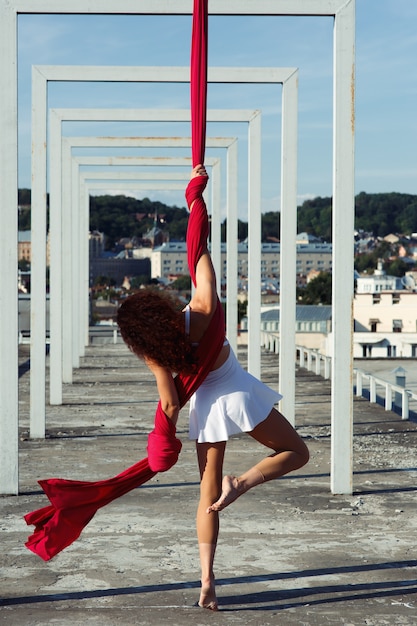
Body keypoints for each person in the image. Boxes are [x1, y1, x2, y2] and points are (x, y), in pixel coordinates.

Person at [117, 164, 309, 612]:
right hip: (238, 393)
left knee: (206, 502)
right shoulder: (201, 310)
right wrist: (196, 201)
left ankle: (207, 579)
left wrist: (161, 439)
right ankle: (241, 483)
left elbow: (169, 400)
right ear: (158, 306)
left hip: (206, 409)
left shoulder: (158, 355)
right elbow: (200, 253)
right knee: (297, 453)